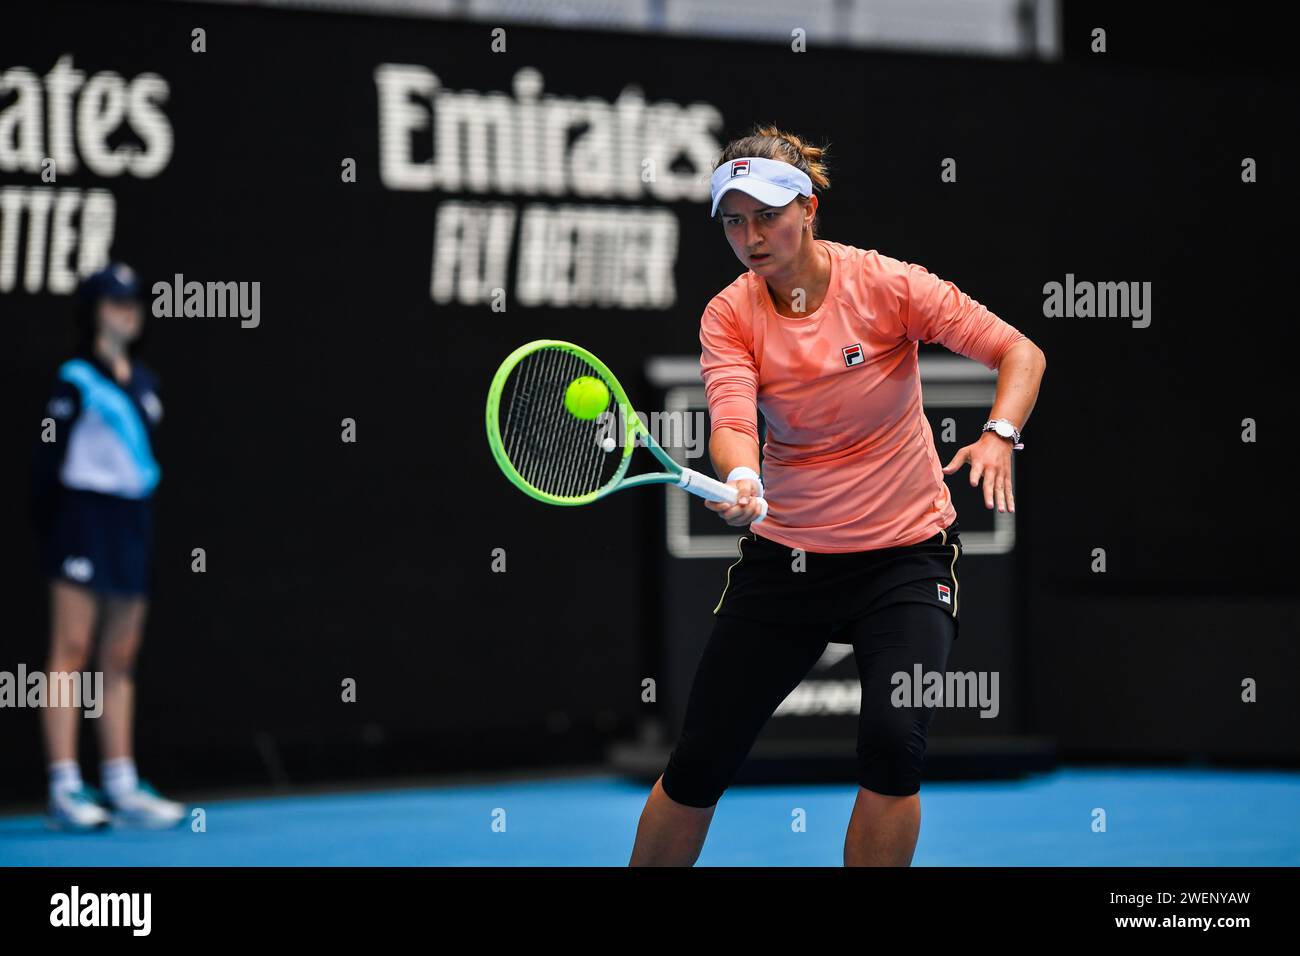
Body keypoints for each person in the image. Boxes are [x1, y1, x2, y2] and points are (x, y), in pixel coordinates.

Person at [629, 126, 1046, 866]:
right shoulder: (729, 315)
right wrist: (742, 477)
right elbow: (731, 420)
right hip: (787, 562)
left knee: (893, 745)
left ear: (808, 209)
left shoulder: (888, 286)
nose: (750, 236)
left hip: (906, 562)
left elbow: (1020, 351)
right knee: (699, 762)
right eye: (733, 220)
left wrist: (1000, 434)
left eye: (766, 216)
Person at [31, 261, 187, 830]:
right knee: (70, 650)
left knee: (119, 659)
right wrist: (54, 527)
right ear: (94, 311)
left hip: (132, 520)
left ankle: (121, 782)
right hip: (82, 516)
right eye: (116, 302)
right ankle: (65, 787)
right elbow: (44, 467)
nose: (128, 312)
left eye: (135, 302)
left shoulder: (146, 384)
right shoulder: (74, 379)